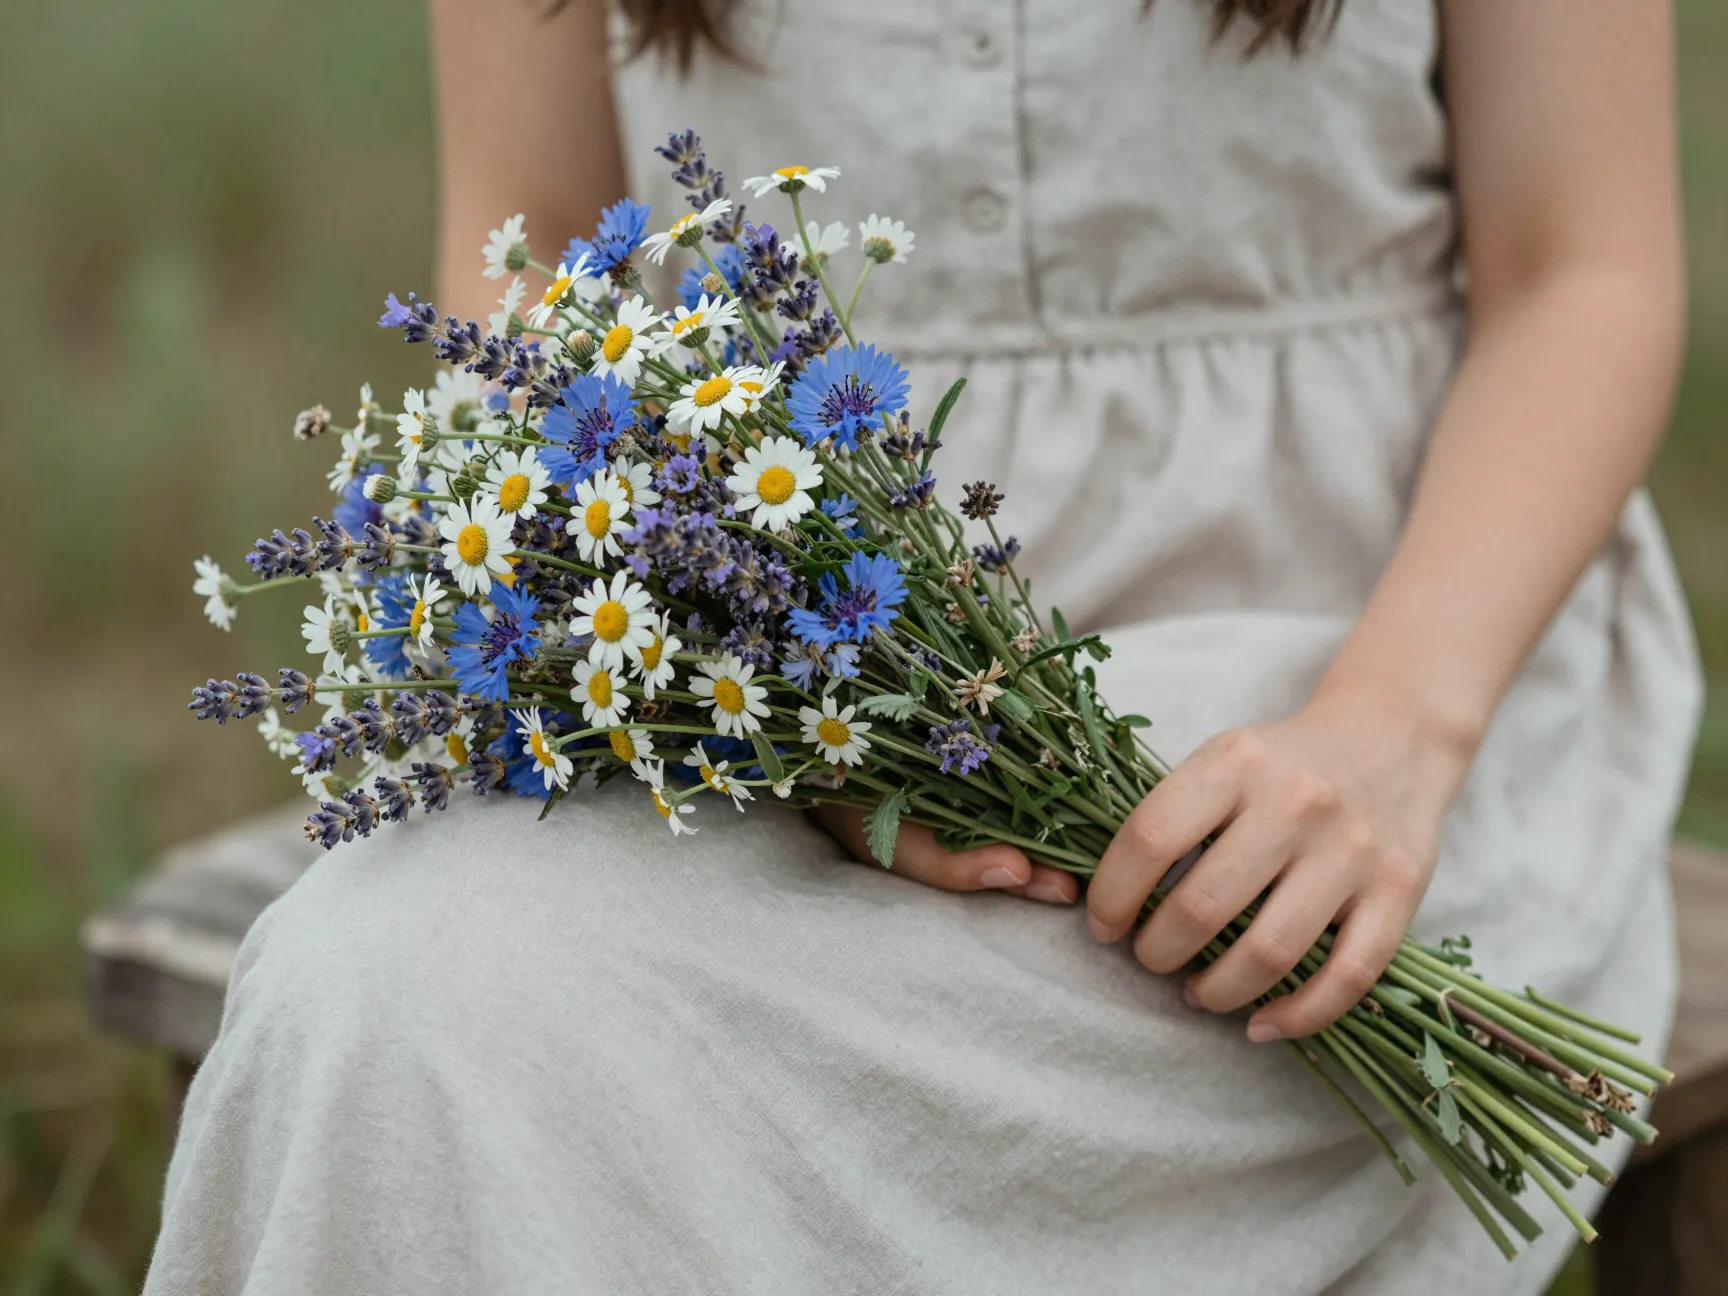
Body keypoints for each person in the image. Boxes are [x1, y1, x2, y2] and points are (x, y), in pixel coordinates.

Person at [146, 0, 1701, 1291]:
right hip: (775, 675)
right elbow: (536, 261)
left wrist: (1391, 734)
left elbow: (1585, 267)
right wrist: (794, 711)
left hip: (1365, 654)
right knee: (383, 996)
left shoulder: (1376, 718)